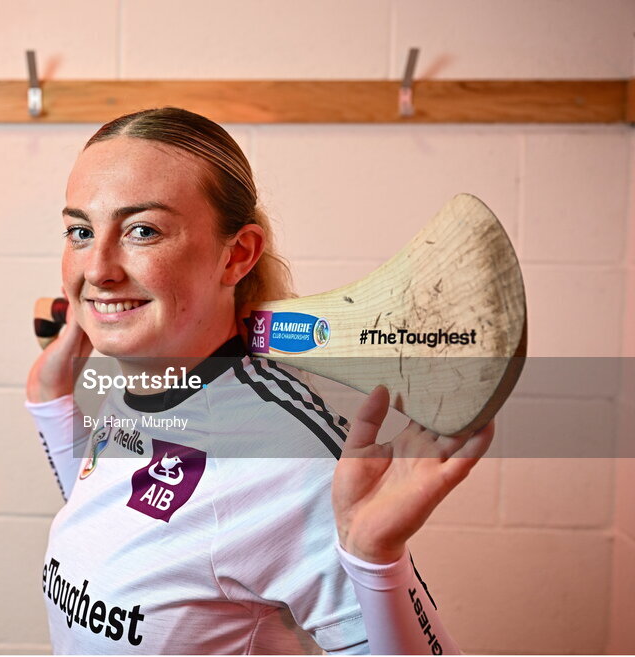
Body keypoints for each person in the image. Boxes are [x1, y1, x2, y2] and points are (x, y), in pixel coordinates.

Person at [25, 107, 494, 654]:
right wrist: (50, 404)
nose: (98, 269)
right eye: (80, 231)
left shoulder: (289, 455)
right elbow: (109, 522)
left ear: (237, 255)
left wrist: (373, 559)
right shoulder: (146, 380)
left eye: (142, 231)